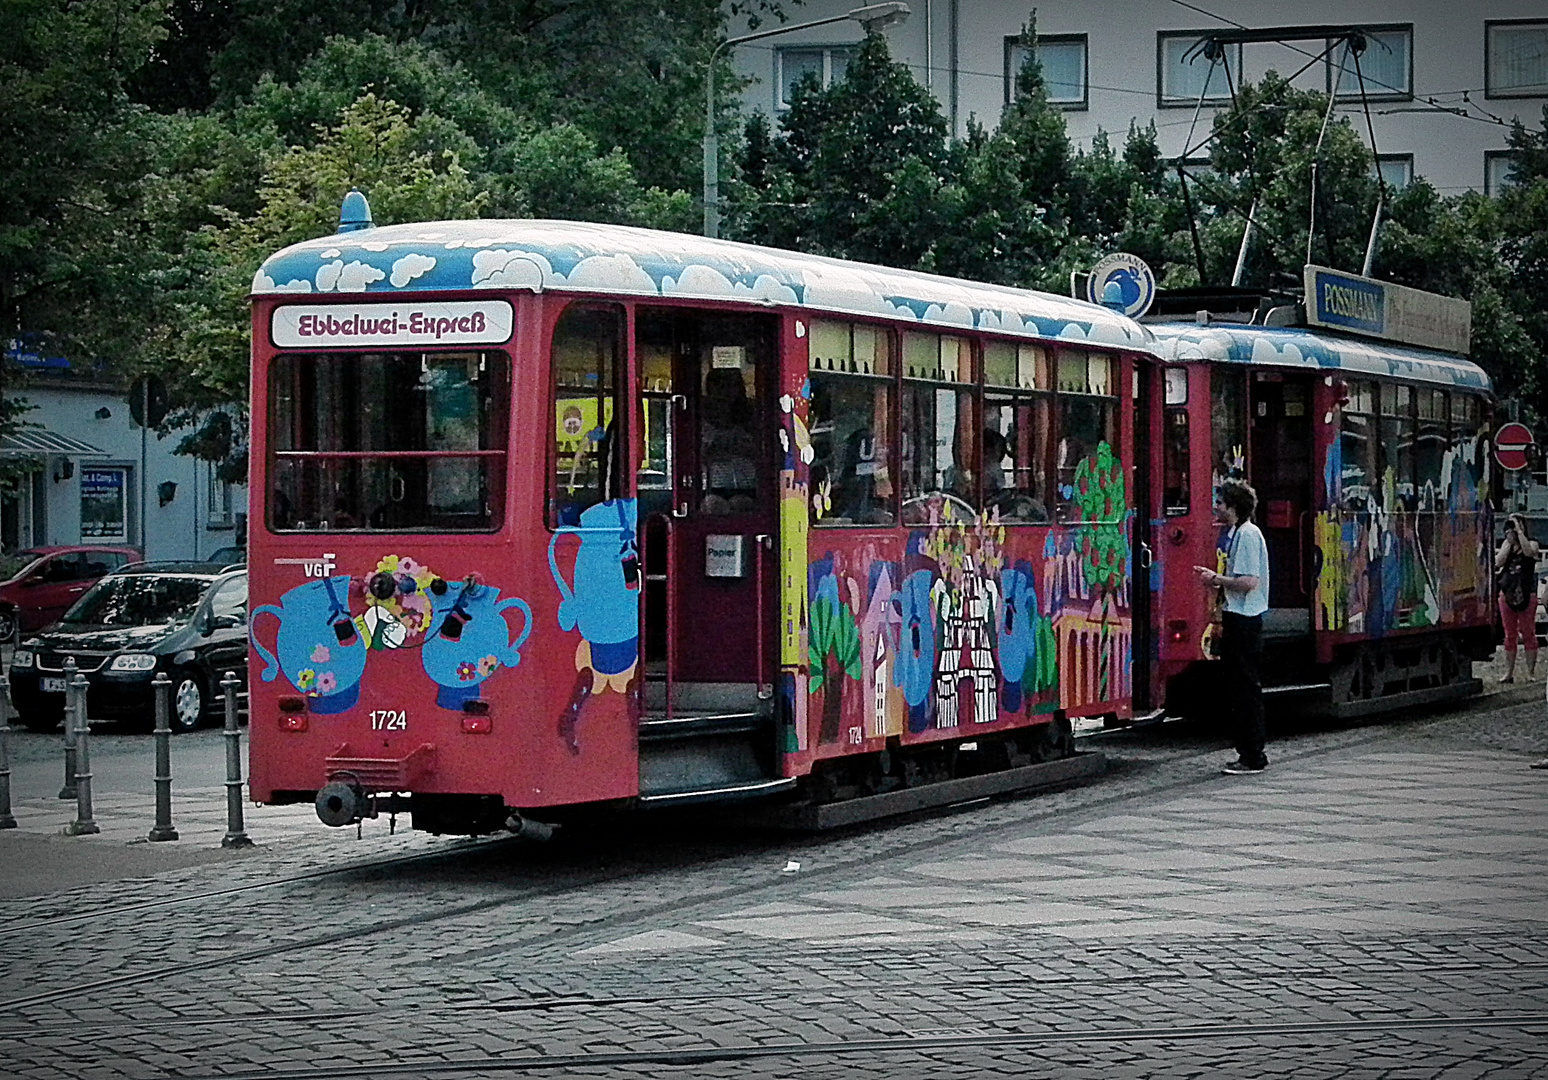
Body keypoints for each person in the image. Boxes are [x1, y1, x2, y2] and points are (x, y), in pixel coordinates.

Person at [1194, 479, 1270, 775]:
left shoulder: (1248, 535)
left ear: (1234, 507)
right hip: (1238, 616)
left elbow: (1250, 582)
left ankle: (1252, 755)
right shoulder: (1238, 533)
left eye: (1221, 503)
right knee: (1240, 686)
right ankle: (1248, 752)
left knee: (1245, 687)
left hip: (1245, 618)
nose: (1217, 507)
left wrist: (1217, 579)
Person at [1495, 512, 1539, 683]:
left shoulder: (1532, 542)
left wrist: (1520, 533)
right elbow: (1498, 562)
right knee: (1509, 634)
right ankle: (1509, 672)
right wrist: (1508, 542)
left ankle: (1530, 672)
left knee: (1528, 633)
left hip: (1527, 592)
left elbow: (1529, 552)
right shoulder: (1506, 545)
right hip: (1507, 592)